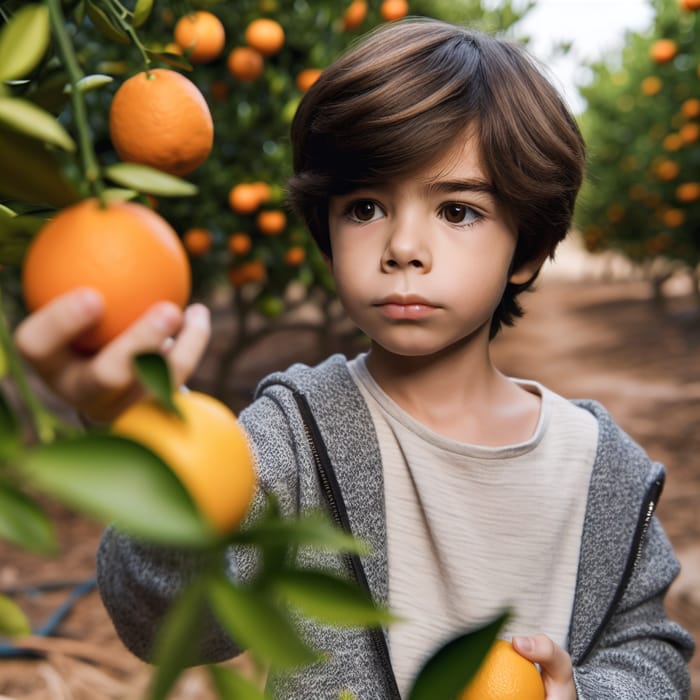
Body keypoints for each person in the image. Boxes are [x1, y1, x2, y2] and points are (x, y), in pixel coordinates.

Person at [14, 17, 694, 699]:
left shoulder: (599, 465)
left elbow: (649, 652)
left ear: (529, 251)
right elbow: (171, 625)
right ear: (327, 230)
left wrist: (580, 692)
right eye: (366, 207)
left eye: (457, 211)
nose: (403, 247)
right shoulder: (295, 436)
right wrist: (145, 444)